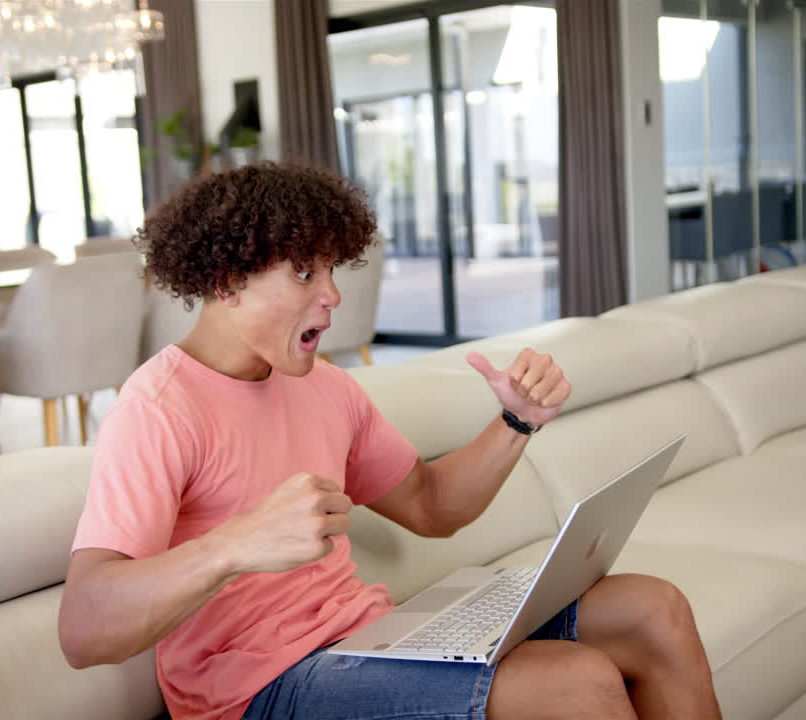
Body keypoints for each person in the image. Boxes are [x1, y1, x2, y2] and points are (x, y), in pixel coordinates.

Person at [58, 163, 722, 720]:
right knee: (578, 682)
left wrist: (516, 421)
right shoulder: (159, 407)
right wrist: (233, 545)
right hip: (260, 691)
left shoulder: (324, 385)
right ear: (227, 280)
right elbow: (84, 629)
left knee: (651, 609)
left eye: (332, 269)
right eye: (303, 273)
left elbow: (432, 506)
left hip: (370, 639)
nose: (333, 296)